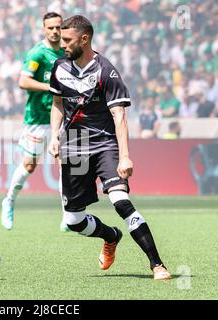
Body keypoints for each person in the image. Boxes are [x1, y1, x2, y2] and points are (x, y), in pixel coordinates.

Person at [48, 15, 171, 280]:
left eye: (68, 40)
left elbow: (120, 116)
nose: (62, 44)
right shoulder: (59, 67)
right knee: (73, 221)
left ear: (85, 39)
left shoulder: (106, 71)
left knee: (120, 200)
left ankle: (157, 265)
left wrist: (124, 156)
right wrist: (53, 136)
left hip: (105, 144)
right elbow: (57, 104)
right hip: (74, 147)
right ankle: (111, 236)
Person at [1, 12, 69, 232]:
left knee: (64, 165)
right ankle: (9, 201)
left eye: (58, 27)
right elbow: (23, 81)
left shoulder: (67, 52)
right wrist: (50, 87)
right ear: (44, 29)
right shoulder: (37, 54)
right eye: (51, 28)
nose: (55, 31)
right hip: (38, 117)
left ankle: (68, 216)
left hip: (60, 117)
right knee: (30, 165)